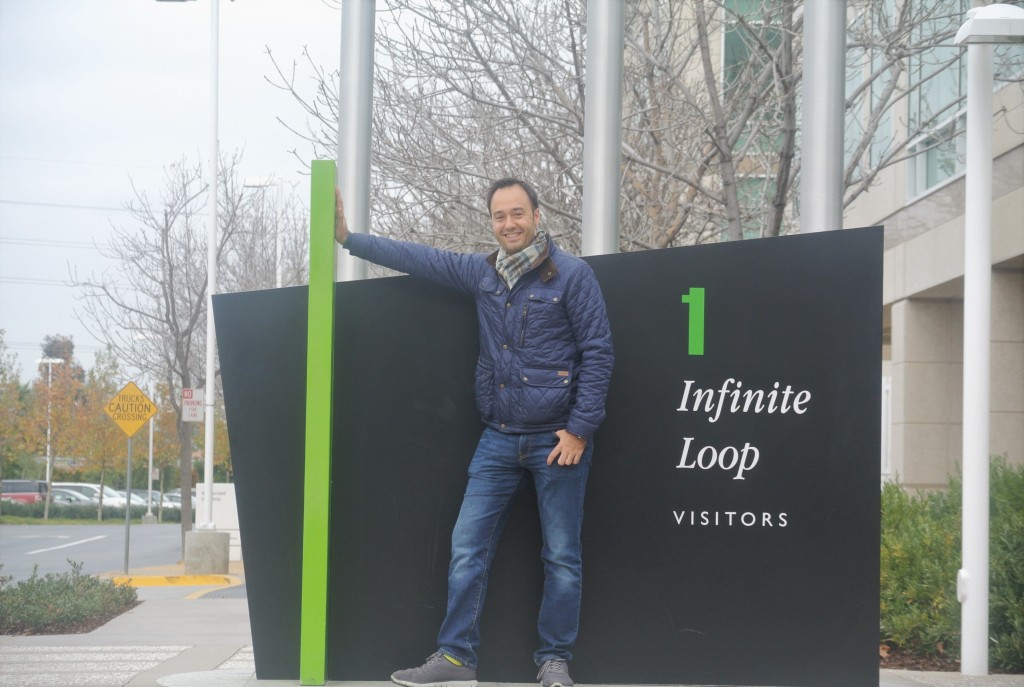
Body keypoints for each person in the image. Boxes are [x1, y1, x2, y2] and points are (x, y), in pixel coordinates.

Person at [335, 178, 614, 687]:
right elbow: (418, 257)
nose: (508, 224)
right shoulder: (482, 274)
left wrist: (579, 430)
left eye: (517, 213)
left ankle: (554, 660)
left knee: (562, 557)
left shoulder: (573, 275)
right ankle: (456, 657)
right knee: (467, 546)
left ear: (536, 214)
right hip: (500, 436)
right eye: (499, 216)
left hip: (558, 443)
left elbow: (598, 352)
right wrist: (350, 239)